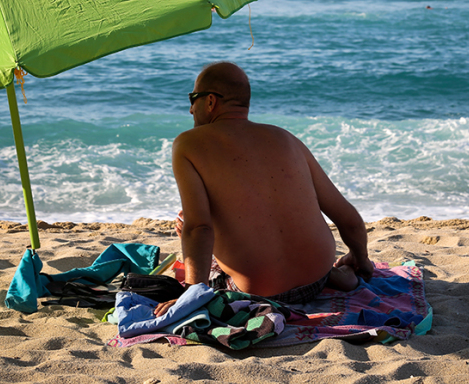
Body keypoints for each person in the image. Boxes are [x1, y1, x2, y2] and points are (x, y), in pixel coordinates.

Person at [154, 62, 372, 316]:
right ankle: (341, 275)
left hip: (257, 291)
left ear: (210, 101)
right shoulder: (286, 138)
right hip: (316, 279)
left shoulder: (188, 143)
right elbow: (348, 218)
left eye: (193, 99)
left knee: (188, 225)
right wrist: (361, 258)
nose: (191, 109)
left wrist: (191, 295)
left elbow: (199, 228)